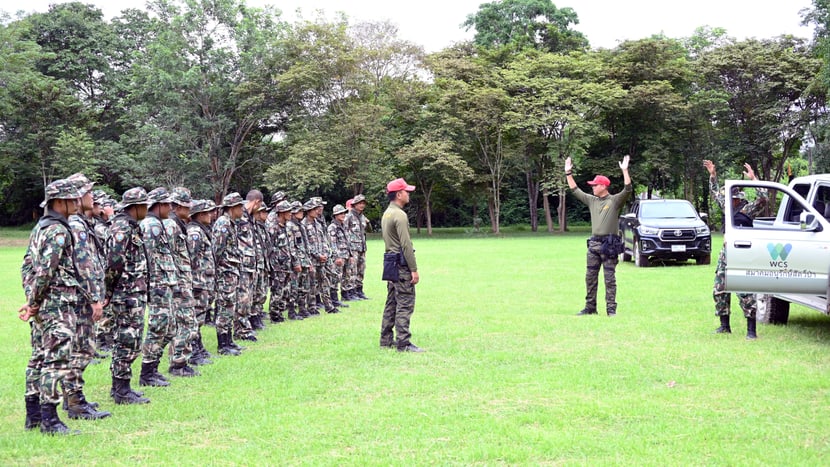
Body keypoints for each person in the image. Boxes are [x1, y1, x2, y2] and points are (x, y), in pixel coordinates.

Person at [19, 179, 90, 434]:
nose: (77, 203)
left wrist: (32, 300)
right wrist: (34, 302)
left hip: (45, 304)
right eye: (73, 199)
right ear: (59, 202)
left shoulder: (40, 228)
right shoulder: (59, 231)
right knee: (56, 360)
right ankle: (50, 419)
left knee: (38, 357)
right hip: (57, 304)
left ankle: (34, 415)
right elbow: (46, 271)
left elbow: (27, 266)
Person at [64, 173, 111, 421]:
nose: (93, 197)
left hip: (82, 296)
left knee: (83, 348)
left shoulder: (83, 222)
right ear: (77, 196)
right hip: (80, 298)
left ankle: (73, 397)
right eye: (88, 192)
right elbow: (84, 265)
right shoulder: (76, 224)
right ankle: (74, 402)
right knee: (82, 349)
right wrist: (95, 298)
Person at [704, 160, 768, 339]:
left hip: (743, 252)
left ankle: (751, 331)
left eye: (730, 199)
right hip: (726, 252)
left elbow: (764, 198)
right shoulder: (727, 208)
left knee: (745, 292)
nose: (726, 201)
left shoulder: (748, 209)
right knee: (720, 288)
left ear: (737, 198)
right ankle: (724, 326)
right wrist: (712, 175)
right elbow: (715, 193)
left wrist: (754, 179)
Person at [565, 155, 632, 316]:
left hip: (609, 245)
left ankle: (611, 310)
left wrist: (625, 170)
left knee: (609, 279)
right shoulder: (592, 200)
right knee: (590, 277)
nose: (593, 188)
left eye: (595, 185)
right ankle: (590, 308)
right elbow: (575, 190)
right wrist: (568, 173)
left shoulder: (615, 201)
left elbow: (627, 189)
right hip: (594, 244)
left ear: (603, 186)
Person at [106, 188, 152, 404]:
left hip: (134, 292)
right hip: (125, 294)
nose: (147, 209)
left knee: (131, 339)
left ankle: (123, 386)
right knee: (126, 339)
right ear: (135, 207)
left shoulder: (133, 227)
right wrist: (109, 290)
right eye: (144, 205)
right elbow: (114, 262)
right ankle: (120, 389)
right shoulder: (122, 227)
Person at [139, 187, 181, 386]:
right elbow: (147, 257)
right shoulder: (150, 225)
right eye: (167, 204)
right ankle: (147, 372)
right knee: (158, 326)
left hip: (166, 282)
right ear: (159, 205)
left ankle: (153, 366)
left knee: (170, 328)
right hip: (157, 284)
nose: (171, 208)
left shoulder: (160, 224)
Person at [380, 178, 423, 352]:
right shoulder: (400, 215)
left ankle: (386, 339)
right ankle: (403, 342)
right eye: (406, 191)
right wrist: (414, 269)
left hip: (390, 262)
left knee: (391, 302)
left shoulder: (387, 213)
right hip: (401, 264)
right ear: (399, 194)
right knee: (405, 302)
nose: (408, 194)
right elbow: (406, 245)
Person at [164, 187, 204, 371]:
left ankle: (181, 360)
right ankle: (178, 363)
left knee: (188, 321)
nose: (190, 211)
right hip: (178, 283)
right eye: (187, 207)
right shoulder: (171, 226)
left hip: (183, 281)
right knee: (185, 322)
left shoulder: (178, 225)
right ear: (177, 207)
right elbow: (170, 257)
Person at [212, 192, 245, 355]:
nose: (243, 209)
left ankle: (229, 340)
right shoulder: (223, 223)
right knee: (225, 306)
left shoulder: (231, 223)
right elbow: (217, 250)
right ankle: (222, 344)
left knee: (230, 306)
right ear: (232, 208)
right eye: (240, 206)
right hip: (225, 272)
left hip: (231, 271)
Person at [187, 200, 218, 359]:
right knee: (195, 317)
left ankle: (199, 347)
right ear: (198, 215)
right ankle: (193, 351)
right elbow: (190, 259)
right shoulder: (194, 233)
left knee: (199, 317)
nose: (211, 215)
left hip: (204, 280)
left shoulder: (202, 230)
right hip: (197, 281)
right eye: (207, 212)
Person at [344, 194, 370, 300]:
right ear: (354, 205)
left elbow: (367, 230)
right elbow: (344, 231)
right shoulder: (349, 216)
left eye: (363, 203)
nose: (362, 205)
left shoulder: (362, 217)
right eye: (359, 203)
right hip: (353, 247)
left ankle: (359, 290)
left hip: (362, 247)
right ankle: (350, 292)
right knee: (352, 270)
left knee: (361, 269)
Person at [328, 204, 352, 308]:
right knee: (335, 277)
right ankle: (334, 299)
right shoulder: (332, 227)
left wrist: (350, 254)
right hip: (338, 257)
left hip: (346, 255)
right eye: (340, 213)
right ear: (335, 215)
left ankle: (345, 295)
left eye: (344, 213)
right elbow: (332, 243)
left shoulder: (344, 226)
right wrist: (336, 257)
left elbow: (347, 241)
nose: (343, 215)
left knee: (346, 276)